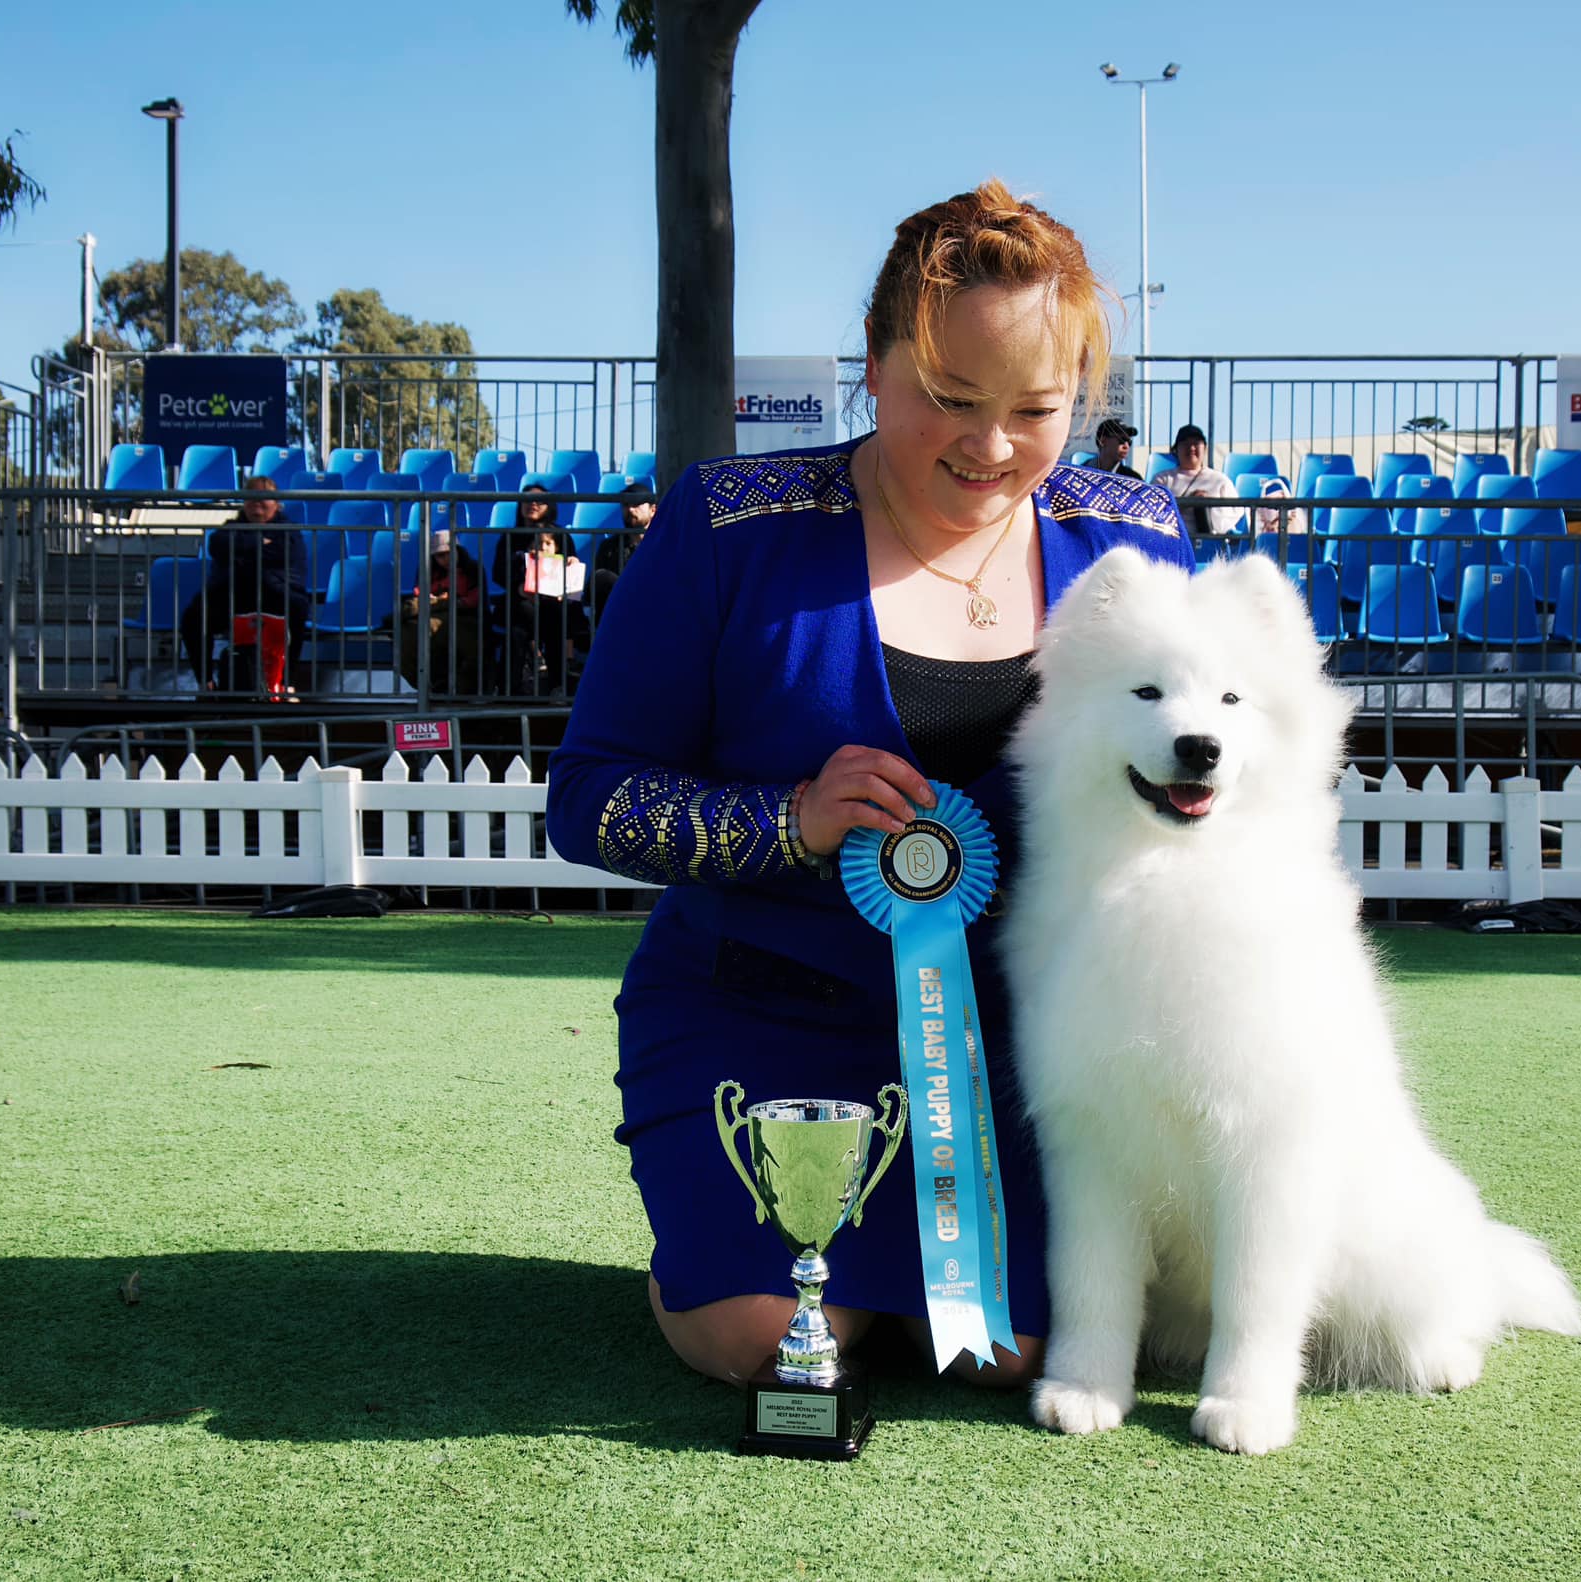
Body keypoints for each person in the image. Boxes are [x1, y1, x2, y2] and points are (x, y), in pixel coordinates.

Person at [546, 179, 1195, 1391]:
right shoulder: (724, 525)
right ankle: (725, 1263)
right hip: (759, 1014)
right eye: (948, 398)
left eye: (1035, 410)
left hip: (1032, 1045)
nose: (989, 448)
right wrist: (784, 820)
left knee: (1015, 1351)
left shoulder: (1139, 539)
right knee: (768, 1341)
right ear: (873, 363)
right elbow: (588, 797)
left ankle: (885, 1287)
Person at [178, 475, 310, 694]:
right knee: (194, 616)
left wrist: (241, 550)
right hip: (233, 595)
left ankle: (285, 685)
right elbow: (218, 545)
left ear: (277, 504)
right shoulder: (230, 528)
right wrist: (259, 542)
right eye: (251, 496)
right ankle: (207, 684)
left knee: (297, 610)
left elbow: (282, 553)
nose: (257, 502)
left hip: (276, 595)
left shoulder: (289, 531)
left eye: (264, 496)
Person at [494, 483, 590, 693]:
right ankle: (511, 689)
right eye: (528, 500)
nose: (533, 504)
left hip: (554, 604)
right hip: (520, 603)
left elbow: (571, 574)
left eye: (539, 501)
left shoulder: (560, 535)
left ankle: (556, 684)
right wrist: (519, 588)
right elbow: (498, 573)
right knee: (520, 624)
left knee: (554, 618)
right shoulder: (510, 536)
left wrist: (571, 565)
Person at [398, 529, 488, 694]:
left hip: (466, 616)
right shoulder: (428, 570)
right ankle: (429, 684)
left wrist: (446, 600)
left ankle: (459, 688)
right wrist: (439, 599)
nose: (445, 559)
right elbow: (420, 593)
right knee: (409, 631)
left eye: (449, 553)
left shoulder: (473, 569)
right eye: (440, 556)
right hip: (434, 615)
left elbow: (474, 600)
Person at [588, 480, 654, 629]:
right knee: (602, 577)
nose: (630, 509)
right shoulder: (609, 547)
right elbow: (594, 586)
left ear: (653, 510)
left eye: (636, 504)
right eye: (625, 505)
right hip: (618, 617)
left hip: (651, 613)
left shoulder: (662, 544)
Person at [1157, 422, 1236, 536]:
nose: (1191, 448)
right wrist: (1187, 502)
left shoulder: (1221, 480)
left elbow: (1234, 514)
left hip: (1212, 540)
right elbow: (1155, 513)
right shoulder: (1162, 479)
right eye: (1185, 443)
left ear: (1205, 448)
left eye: (1196, 443)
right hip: (1173, 538)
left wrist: (1209, 506)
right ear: (1176, 449)